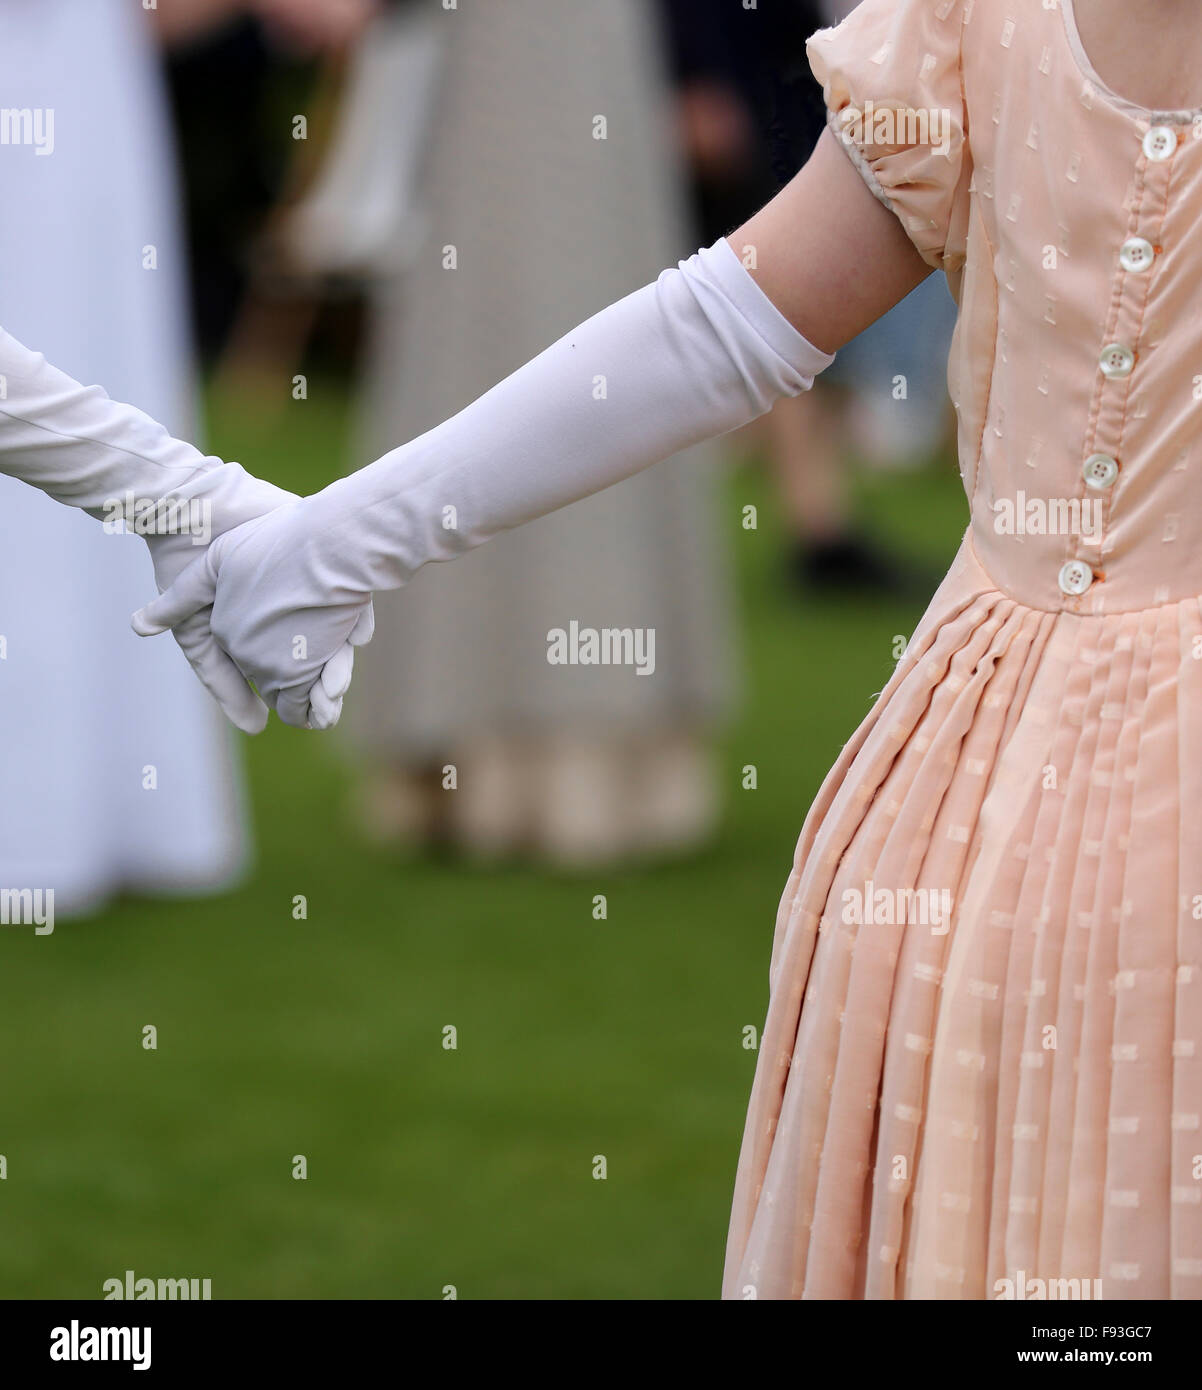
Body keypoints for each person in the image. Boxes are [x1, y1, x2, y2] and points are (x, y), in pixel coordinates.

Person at [140, 0, 1202, 1299]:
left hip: (969, 804)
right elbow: (730, 322)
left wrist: (340, 540)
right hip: (977, 807)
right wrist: (339, 539)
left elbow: (725, 327)